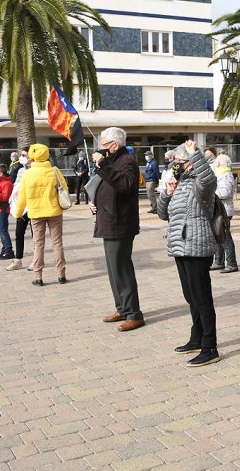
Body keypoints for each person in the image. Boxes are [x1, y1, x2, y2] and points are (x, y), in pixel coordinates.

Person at [158, 140, 220, 366]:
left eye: (178, 161)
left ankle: (210, 345)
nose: (173, 164)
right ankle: (196, 337)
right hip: (179, 246)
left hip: (197, 245)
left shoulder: (201, 184)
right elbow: (163, 214)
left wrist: (195, 154)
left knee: (202, 298)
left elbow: (209, 178)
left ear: (190, 163)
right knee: (190, 296)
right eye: (172, 161)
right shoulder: (179, 183)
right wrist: (167, 193)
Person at [91, 128, 144, 332]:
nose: (101, 148)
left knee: (121, 268)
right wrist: (93, 201)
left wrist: (103, 164)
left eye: (104, 144)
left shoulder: (127, 161)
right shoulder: (113, 161)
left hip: (120, 223)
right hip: (108, 220)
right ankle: (122, 307)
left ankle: (134, 313)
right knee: (113, 270)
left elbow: (124, 184)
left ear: (114, 145)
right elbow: (104, 186)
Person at [12, 144, 68, 286]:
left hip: (36, 213)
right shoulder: (55, 171)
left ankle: (38, 277)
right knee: (57, 244)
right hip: (54, 211)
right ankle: (61, 275)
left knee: (39, 245)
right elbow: (65, 188)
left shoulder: (27, 174)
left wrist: (18, 213)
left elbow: (22, 197)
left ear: (32, 156)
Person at [211, 154, 238, 273]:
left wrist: (211, 192)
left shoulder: (226, 175)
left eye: (216, 162)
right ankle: (219, 261)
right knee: (217, 236)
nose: (214, 164)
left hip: (225, 210)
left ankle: (232, 263)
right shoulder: (219, 174)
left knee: (225, 237)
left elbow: (225, 192)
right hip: (219, 209)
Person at [7, 147, 31, 271]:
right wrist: (12, 197)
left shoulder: (36, 170)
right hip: (21, 206)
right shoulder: (21, 170)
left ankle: (36, 260)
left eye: (24, 155)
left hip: (33, 206)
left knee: (36, 235)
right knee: (19, 233)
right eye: (21, 155)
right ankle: (18, 260)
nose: (22, 157)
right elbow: (16, 184)